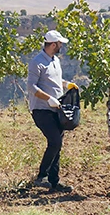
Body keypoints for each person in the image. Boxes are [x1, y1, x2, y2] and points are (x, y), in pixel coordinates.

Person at [27, 30, 78, 193]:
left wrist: (66, 84)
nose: (62, 46)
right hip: (42, 110)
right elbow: (31, 86)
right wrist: (48, 98)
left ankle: (54, 182)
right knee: (55, 141)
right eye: (60, 43)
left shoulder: (55, 60)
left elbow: (53, 81)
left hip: (56, 110)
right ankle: (42, 176)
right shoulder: (37, 62)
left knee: (58, 144)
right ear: (54, 44)